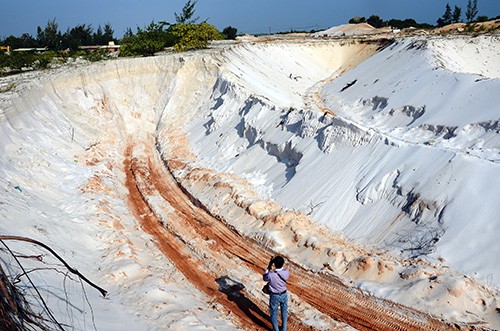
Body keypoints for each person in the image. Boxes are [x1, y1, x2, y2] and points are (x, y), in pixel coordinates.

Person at [263, 255, 289, 331]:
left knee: (274, 314)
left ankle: (276, 329)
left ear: (274, 264)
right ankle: (284, 329)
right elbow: (281, 270)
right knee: (284, 312)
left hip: (275, 296)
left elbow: (265, 278)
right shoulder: (286, 272)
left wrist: (269, 269)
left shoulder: (271, 274)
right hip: (284, 294)